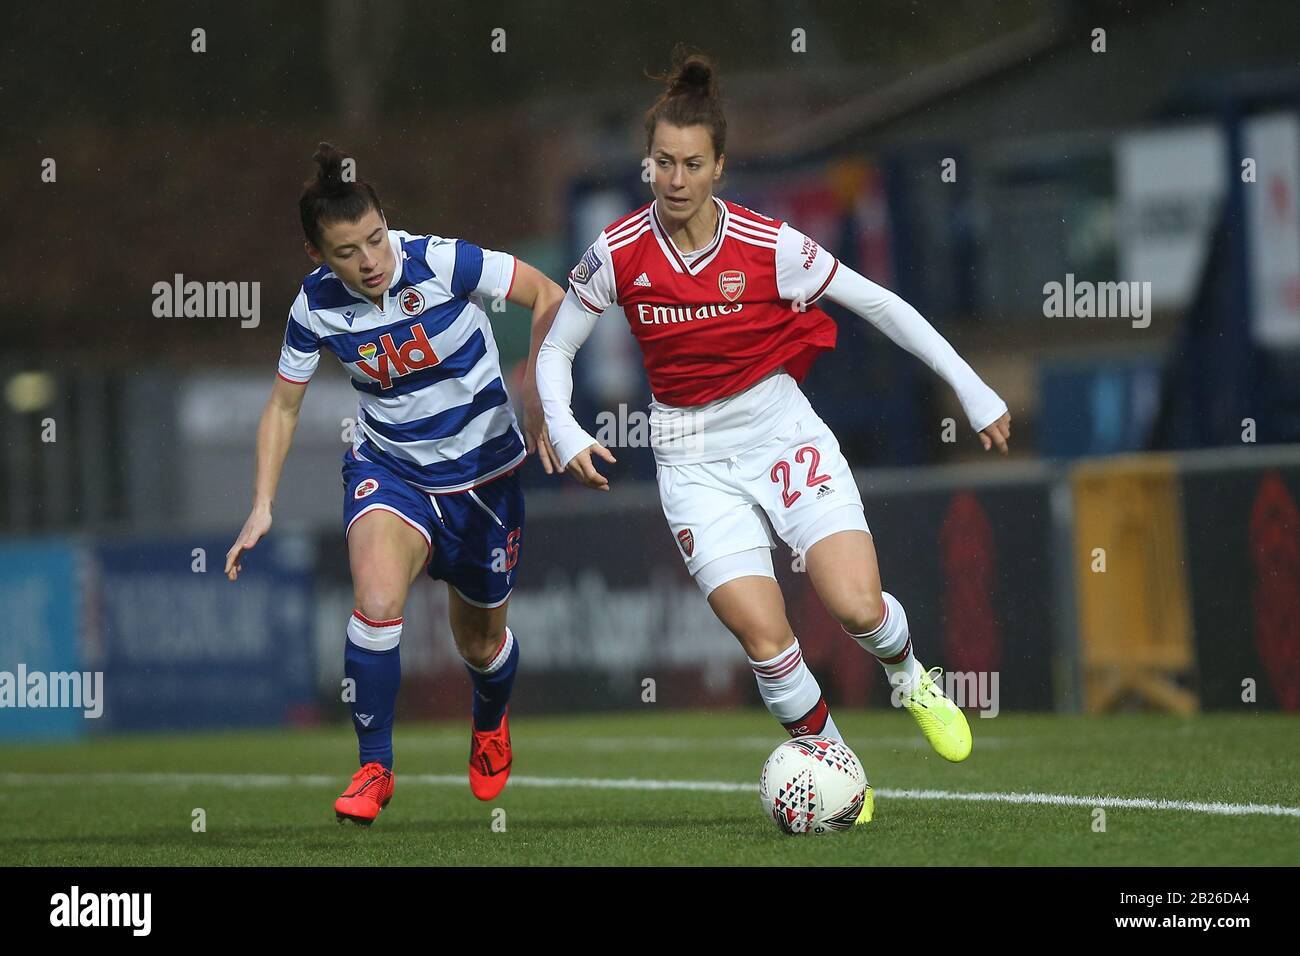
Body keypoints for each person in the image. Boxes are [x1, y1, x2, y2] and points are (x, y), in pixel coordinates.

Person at [536, 54, 1012, 795]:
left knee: (856, 606)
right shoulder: (618, 252)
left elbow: (881, 304)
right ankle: (837, 771)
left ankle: (910, 677)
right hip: (689, 455)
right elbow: (559, 347)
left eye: (692, 164)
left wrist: (971, 387)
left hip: (778, 431)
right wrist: (563, 430)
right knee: (766, 639)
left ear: (719, 166)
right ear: (648, 163)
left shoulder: (770, 246)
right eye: (663, 162)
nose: (675, 179)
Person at [225, 144, 564, 825]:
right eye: (347, 251)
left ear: (387, 223)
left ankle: (490, 723)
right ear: (317, 254)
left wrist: (540, 397)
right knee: (377, 600)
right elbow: (283, 404)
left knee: (480, 644)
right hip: (392, 470)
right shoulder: (314, 305)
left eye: (375, 238)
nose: (370, 259)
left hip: (484, 477)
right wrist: (262, 503)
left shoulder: (442, 261)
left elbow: (547, 295)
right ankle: (375, 766)